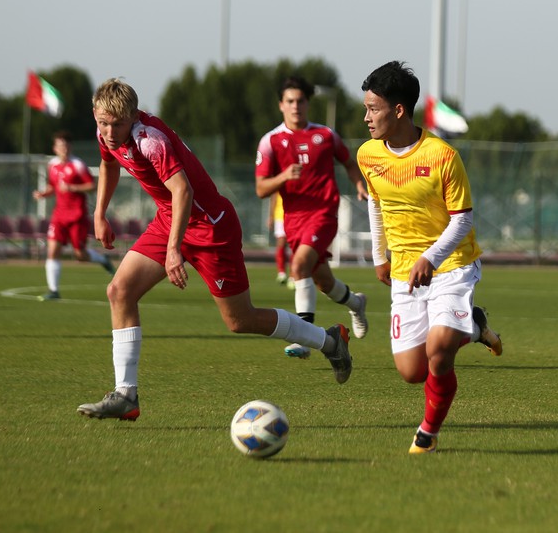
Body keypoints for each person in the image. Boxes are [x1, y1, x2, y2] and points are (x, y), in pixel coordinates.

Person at [77, 78, 353, 421]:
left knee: (240, 320)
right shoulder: (107, 132)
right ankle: (125, 395)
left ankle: (329, 341)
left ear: (133, 115)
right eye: (102, 123)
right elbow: (108, 164)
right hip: (170, 220)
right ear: (95, 114)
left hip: (211, 226)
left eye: (117, 124)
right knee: (119, 291)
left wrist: (173, 250)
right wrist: (100, 213)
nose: (109, 131)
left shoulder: (151, 141)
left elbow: (183, 191)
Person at [357, 61, 503, 455]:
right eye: (366, 108)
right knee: (411, 371)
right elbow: (375, 201)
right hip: (405, 271)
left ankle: (427, 433)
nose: (366, 117)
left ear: (399, 110)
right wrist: (379, 256)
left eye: (373, 109)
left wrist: (431, 258)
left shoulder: (442, 155)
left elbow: (463, 219)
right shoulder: (368, 155)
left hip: (451, 265)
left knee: (439, 350)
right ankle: (474, 326)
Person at [255, 76, 370, 360]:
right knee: (323, 281)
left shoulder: (325, 135)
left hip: (323, 214)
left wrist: (358, 184)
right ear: (281, 105)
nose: (296, 106)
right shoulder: (271, 141)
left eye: (301, 101)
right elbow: (261, 188)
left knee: (299, 264)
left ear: (308, 104)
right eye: (290, 101)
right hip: (293, 219)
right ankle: (356, 303)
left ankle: (303, 336)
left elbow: (348, 162)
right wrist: (283, 176)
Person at [32, 131, 115, 300]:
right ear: (55, 148)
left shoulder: (78, 165)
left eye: (66, 145)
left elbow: (91, 186)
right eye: (60, 145)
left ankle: (103, 260)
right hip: (59, 215)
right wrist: (43, 194)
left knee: (80, 255)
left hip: (77, 215)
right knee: (52, 250)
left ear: (70, 147)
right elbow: (53, 187)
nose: (64, 148)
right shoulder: (53, 165)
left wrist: (73, 188)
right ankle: (54, 291)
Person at [268, 192, 293, 288]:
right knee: (281, 243)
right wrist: (271, 216)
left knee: (294, 246)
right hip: (280, 216)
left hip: (294, 215)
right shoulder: (279, 178)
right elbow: (274, 197)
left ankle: (293, 275)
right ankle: (281, 273)